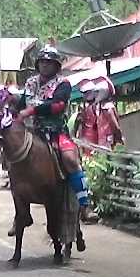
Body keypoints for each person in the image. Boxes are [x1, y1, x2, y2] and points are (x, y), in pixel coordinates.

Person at [17, 45, 90, 213]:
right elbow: (22, 103)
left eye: (49, 63)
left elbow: (58, 105)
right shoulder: (31, 82)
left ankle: (85, 203)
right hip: (31, 130)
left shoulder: (63, 84)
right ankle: (19, 211)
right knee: (11, 152)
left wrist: (32, 110)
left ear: (56, 65)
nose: (45, 65)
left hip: (55, 131)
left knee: (71, 160)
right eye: (42, 62)